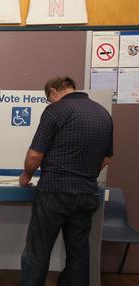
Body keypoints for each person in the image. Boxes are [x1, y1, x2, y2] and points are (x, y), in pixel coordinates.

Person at [19, 77, 113, 286]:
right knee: (78, 252)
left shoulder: (56, 111)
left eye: (48, 99)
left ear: (53, 92)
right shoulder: (102, 113)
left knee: (38, 250)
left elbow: (35, 155)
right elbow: (107, 158)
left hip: (55, 191)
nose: (50, 103)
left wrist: (26, 175)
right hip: (87, 192)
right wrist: (85, 174)